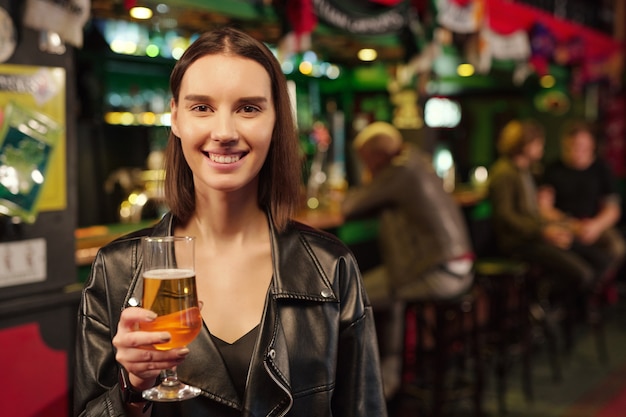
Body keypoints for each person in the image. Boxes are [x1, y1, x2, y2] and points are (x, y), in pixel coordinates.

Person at [73, 27, 386, 417]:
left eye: (248, 108)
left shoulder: (330, 266)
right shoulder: (116, 270)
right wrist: (133, 389)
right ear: (175, 118)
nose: (224, 133)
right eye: (201, 107)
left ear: (276, 120)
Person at [341, 121, 475, 399]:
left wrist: (367, 181)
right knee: (390, 297)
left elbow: (349, 207)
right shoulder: (416, 163)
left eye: (364, 160)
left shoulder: (399, 171)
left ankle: (362, 388)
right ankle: (387, 382)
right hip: (456, 267)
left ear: (375, 156)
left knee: (350, 298)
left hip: (440, 273)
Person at [488, 119, 599, 298]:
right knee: (583, 273)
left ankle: (551, 306)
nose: (542, 147)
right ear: (524, 144)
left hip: (533, 237)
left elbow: (533, 212)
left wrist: (559, 227)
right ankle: (544, 302)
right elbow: (505, 216)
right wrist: (543, 232)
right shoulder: (504, 173)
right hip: (520, 243)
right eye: (538, 143)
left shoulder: (525, 171)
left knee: (593, 257)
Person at [541, 121, 625, 288]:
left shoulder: (601, 169)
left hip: (594, 224)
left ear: (591, 146)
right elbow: (543, 207)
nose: (576, 151)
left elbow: (612, 209)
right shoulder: (553, 169)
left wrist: (595, 226)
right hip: (564, 224)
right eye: (571, 146)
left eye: (581, 146)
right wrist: (571, 225)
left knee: (617, 248)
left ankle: (595, 290)